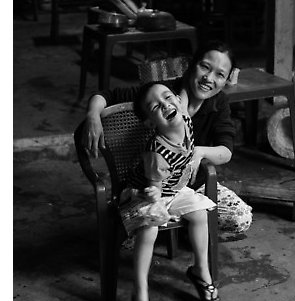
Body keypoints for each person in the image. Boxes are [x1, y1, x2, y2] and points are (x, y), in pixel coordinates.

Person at [83, 40, 252, 234]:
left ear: (226, 80)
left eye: (219, 74)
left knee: (240, 218)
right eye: (205, 67)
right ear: (192, 64)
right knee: (132, 236)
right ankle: (172, 227)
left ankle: (184, 227)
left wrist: (198, 152)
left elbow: (226, 151)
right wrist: (93, 115)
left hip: (191, 188)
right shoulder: (161, 93)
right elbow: (107, 95)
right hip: (152, 188)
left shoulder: (218, 103)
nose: (208, 78)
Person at [121, 82, 218, 301]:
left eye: (167, 97)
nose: (166, 104)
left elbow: (185, 90)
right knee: (151, 227)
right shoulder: (158, 151)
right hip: (147, 193)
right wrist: (155, 198)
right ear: (151, 124)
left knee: (199, 213)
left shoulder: (184, 114)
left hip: (174, 189)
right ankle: (140, 292)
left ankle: (200, 270)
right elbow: (155, 191)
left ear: (177, 99)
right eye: (156, 107)